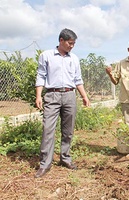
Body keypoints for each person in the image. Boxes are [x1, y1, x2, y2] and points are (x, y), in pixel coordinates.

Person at [34, 28, 90, 178]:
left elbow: (78, 79)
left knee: (68, 130)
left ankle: (65, 158)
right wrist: (39, 96)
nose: (72, 46)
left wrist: (84, 96)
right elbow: (41, 76)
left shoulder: (74, 59)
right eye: (70, 43)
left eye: (74, 43)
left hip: (70, 95)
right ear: (61, 41)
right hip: (52, 95)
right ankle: (45, 164)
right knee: (48, 129)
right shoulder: (46, 56)